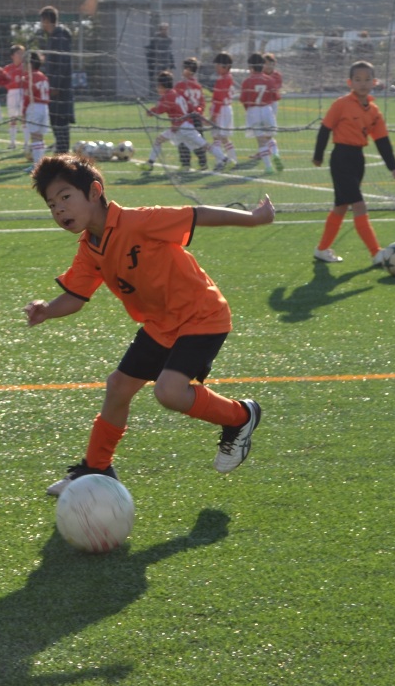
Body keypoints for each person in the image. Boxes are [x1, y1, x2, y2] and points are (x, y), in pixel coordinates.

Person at [23, 154, 274, 496]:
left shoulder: (139, 221)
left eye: (65, 197)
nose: (59, 210)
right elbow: (76, 297)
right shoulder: (89, 249)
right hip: (160, 325)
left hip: (201, 315)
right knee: (118, 387)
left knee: (168, 392)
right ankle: (96, 468)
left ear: (94, 192)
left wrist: (254, 219)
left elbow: (198, 215)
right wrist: (48, 310)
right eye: (52, 205)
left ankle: (241, 417)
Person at [311, 60, 395, 264]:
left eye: (367, 79)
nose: (363, 83)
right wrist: (318, 155)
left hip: (358, 160)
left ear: (375, 82)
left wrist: (393, 166)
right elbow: (325, 129)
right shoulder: (341, 104)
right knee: (359, 205)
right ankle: (376, 253)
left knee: (341, 206)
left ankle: (322, 249)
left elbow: (382, 141)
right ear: (350, 82)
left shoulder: (374, 111)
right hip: (341, 158)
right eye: (358, 79)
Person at [142, 70, 210, 172]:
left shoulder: (175, 90)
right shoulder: (181, 90)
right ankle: (151, 163)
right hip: (185, 122)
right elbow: (195, 104)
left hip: (182, 125)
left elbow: (161, 108)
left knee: (200, 144)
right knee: (193, 144)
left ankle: (222, 159)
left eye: (158, 86)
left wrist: (151, 112)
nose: (156, 88)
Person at [38, 6, 74, 153]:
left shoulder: (60, 37)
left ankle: (63, 151)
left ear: (47, 20)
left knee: (60, 120)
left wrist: (55, 86)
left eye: (42, 21)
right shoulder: (54, 37)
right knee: (55, 119)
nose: (42, 24)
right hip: (54, 87)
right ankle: (60, 148)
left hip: (60, 89)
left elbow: (62, 63)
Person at [239, 53, 281, 174]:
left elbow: (243, 99)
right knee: (269, 136)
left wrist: (248, 110)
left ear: (250, 67)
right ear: (263, 65)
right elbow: (276, 96)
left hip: (254, 111)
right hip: (267, 109)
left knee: (261, 140)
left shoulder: (247, 81)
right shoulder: (269, 80)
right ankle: (276, 154)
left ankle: (268, 167)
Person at [177, 56, 212, 170]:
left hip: (186, 118)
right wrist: (200, 112)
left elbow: (177, 100)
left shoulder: (181, 85)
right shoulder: (198, 85)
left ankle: (186, 164)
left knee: (182, 140)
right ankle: (203, 163)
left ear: (187, 70)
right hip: (197, 117)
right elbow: (202, 102)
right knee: (199, 140)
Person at [22, 51, 50, 172]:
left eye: (24, 63)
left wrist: (23, 112)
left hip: (34, 107)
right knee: (40, 137)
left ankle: (37, 165)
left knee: (34, 136)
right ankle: (41, 163)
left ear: (29, 64)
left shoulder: (28, 77)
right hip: (44, 107)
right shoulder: (43, 76)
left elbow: (27, 97)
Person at [209, 52, 237, 170]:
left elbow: (218, 99)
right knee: (224, 137)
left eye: (218, 65)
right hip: (227, 109)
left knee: (217, 137)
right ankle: (233, 159)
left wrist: (214, 115)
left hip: (221, 110)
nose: (216, 67)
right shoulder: (229, 77)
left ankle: (219, 161)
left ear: (225, 66)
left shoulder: (222, 80)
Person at [4, 44, 28, 152]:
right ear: (12, 56)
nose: (21, 55)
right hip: (12, 93)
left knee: (24, 117)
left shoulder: (26, 67)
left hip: (23, 92)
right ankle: (12, 142)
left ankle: (26, 142)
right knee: (12, 118)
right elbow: (3, 81)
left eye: (23, 53)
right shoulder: (7, 68)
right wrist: (10, 86)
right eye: (19, 53)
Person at [262, 52, 284, 169]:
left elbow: (276, 89)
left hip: (271, 104)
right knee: (264, 132)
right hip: (263, 104)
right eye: (265, 64)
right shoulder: (260, 75)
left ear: (274, 64)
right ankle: (271, 152)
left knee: (266, 132)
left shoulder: (277, 75)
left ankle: (271, 152)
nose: (268, 66)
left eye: (270, 63)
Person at [144, 21, 174, 92]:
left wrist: (172, 63)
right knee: (157, 79)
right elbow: (151, 49)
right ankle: (155, 92)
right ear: (160, 30)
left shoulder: (169, 40)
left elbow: (170, 51)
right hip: (156, 63)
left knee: (166, 78)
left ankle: (167, 92)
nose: (165, 31)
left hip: (166, 62)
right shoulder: (155, 39)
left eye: (166, 29)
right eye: (163, 29)